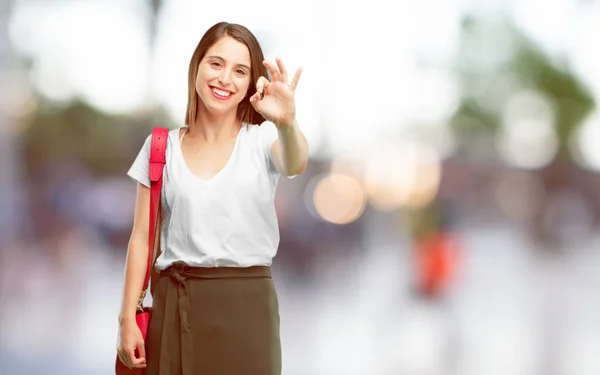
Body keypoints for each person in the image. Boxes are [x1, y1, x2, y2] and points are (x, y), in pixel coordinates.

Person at [116, 21, 308, 375]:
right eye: (216, 64)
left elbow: (295, 163)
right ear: (197, 67)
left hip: (248, 311)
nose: (225, 79)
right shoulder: (161, 147)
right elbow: (141, 237)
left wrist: (287, 123)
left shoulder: (262, 141)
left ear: (251, 83)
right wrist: (128, 316)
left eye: (240, 71)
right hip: (175, 307)